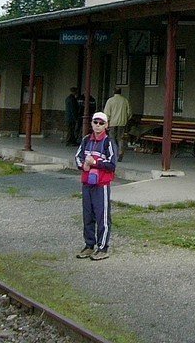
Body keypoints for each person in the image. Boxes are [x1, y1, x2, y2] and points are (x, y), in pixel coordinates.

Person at [74, 111, 116, 260]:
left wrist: (95, 163)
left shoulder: (108, 143)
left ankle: (103, 247)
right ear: (91, 123)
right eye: (95, 122)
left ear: (106, 126)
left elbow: (112, 164)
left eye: (101, 123)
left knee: (102, 216)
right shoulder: (86, 140)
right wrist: (82, 166)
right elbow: (77, 157)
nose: (98, 126)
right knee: (88, 215)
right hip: (87, 183)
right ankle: (89, 245)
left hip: (101, 185)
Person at [102, 87, 132, 161]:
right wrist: (126, 119)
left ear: (113, 92)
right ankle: (120, 152)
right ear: (120, 92)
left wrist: (106, 122)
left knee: (112, 138)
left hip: (112, 123)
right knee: (120, 138)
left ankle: (114, 153)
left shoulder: (110, 101)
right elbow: (129, 113)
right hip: (122, 123)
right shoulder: (125, 101)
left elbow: (106, 113)